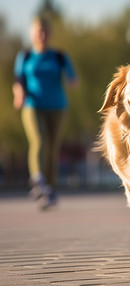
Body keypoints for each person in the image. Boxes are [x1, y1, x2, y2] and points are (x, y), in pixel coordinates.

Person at [13, 16, 77, 210]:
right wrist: (19, 94)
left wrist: (73, 81)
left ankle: (49, 189)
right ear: (32, 34)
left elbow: (73, 77)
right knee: (39, 141)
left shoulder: (59, 56)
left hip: (58, 106)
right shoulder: (24, 56)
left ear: (49, 34)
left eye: (45, 31)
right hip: (32, 105)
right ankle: (38, 179)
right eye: (38, 31)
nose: (42, 35)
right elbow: (18, 80)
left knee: (52, 148)